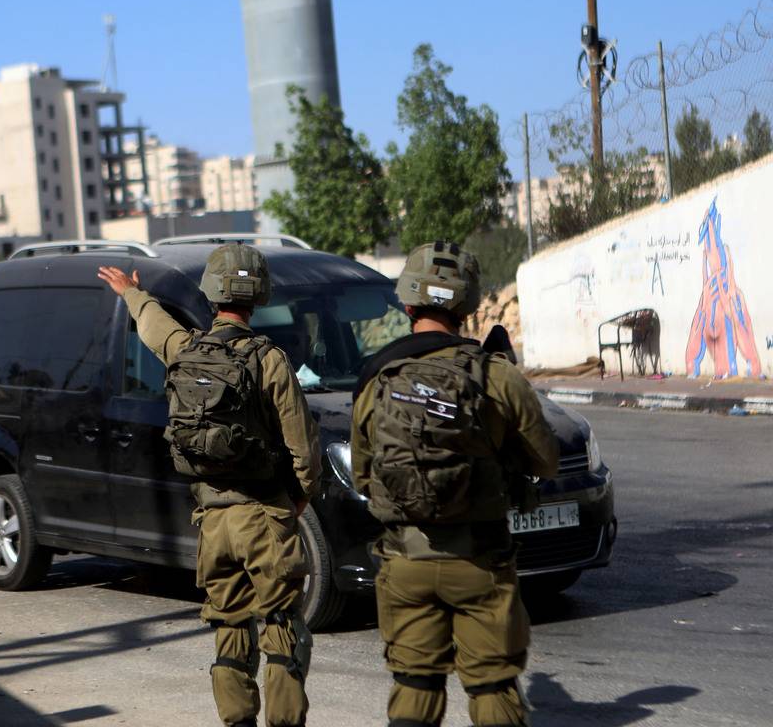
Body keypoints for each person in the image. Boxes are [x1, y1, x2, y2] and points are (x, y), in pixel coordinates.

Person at [98, 243, 321, 727]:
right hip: (265, 515)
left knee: (229, 623)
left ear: (211, 293)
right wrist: (298, 499)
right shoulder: (270, 361)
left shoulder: (188, 350)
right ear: (258, 296)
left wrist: (133, 294)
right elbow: (304, 449)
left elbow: (158, 330)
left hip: (213, 522)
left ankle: (236, 720)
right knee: (282, 626)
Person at [350, 241, 559, 727]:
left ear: (406, 304)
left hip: (405, 562)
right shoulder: (496, 374)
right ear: (468, 307)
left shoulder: (377, 376)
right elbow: (546, 461)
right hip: (479, 562)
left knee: (415, 684)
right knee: (491, 685)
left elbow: (364, 475)